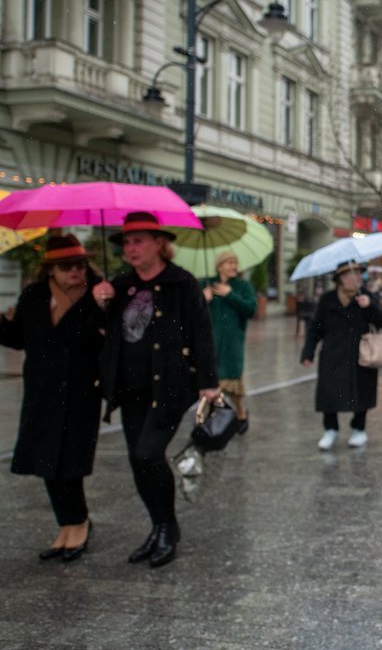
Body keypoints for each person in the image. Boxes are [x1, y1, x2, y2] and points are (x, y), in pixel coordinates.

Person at [93, 212, 219, 568]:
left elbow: (201, 332)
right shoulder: (120, 285)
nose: (130, 248)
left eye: (138, 241)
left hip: (170, 387)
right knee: (138, 460)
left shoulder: (181, 283)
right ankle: (159, 527)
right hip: (130, 387)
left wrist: (209, 381)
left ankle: (167, 527)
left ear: (159, 244)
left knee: (148, 454)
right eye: (126, 243)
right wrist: (101, 303)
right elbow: (108, 332)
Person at [0, 235, 104, 561]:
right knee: (46, 460)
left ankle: (80, 523)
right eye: (66, 266)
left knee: (70, 461)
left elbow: (110, 337)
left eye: (79, 264)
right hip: (42, 391)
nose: (75, 271)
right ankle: (66, 524)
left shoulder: (100, 293)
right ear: (51, 269)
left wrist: (105, 309)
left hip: (80, 390)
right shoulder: (34, 296)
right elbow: (19, 340)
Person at [300, 260, 382, 450]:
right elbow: (316, 328)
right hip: (333, 353)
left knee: (361, 390)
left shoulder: (366, 296)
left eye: (358, 274)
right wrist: (308, 352)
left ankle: (359, 429)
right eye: (350, 274)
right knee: (329, 392)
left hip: (361, 354)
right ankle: (330, 429)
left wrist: (369, 306)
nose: (356, 278)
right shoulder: (327, 299)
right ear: (340, 279)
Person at [203, 250, 257, 433]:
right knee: (211, 383)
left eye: (235, 262)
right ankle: (214, 419)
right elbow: (190, 311)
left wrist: (230, 294)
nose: (234, 266)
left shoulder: (242, 286)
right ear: (219, 266)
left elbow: (251, 309)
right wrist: (201, 300)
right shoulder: (205, 284)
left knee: (232, 386)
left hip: (232, 344)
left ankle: (240, 413)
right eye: (229, 262)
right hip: (210, 344)